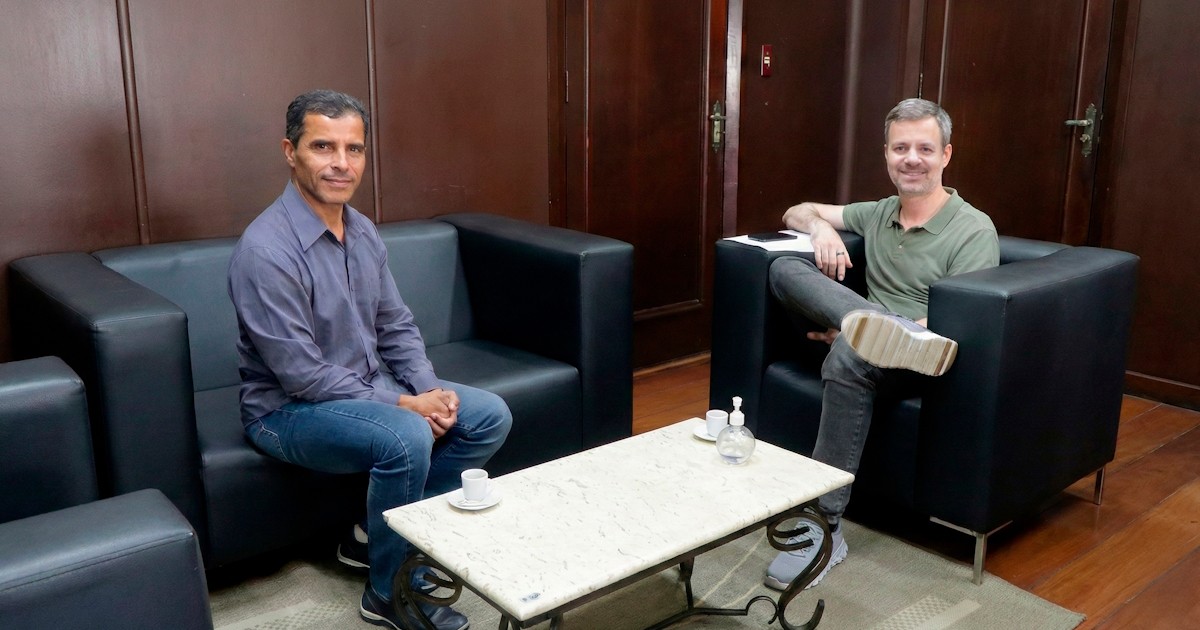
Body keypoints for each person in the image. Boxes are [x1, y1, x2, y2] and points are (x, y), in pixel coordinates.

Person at [228, 89, 512, 630]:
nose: (341, 163)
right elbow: (302, 375)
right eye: (323, 146)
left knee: (487, 415)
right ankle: (388, 593)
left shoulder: (361, 229)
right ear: (290, 152)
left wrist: (429, 389)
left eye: (353, 149)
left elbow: (394, 325)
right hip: (285, 411)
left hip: (365, 387)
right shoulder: (266, 250)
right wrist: (406, 405)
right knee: (404, 435)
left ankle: (374, 535)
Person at [762, 98, 999, 590]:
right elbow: (796, 211)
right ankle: (864, 326)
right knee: (784, 268)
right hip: (858, 338)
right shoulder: (879, 212)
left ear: (946, 155)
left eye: (925, 149)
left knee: (852, 352)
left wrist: (884, 333)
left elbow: (965, 318)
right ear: (887, 154)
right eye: (900, 148)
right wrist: (821, 228)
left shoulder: (972, 228)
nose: (911, 159)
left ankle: (825, 528)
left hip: (923, 355)